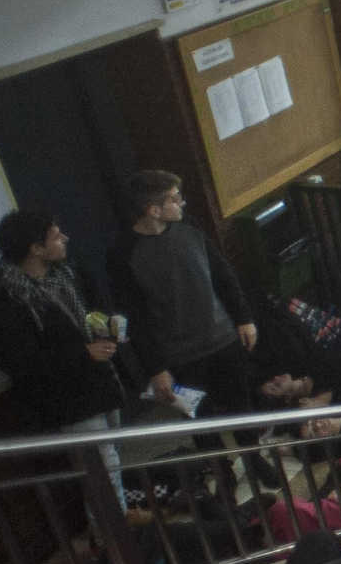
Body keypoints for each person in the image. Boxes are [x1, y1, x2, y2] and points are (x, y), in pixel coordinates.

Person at [109, 170, 264, 474]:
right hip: (179, 355)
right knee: (200, 421)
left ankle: (255, 458)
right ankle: (222, 474)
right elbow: (134, 316)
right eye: (174, 199)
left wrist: (243, 317)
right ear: (153, 210)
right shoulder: (122, 253)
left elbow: (222, 274)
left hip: (222, 338)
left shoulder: (189, 227)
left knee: (241, 407)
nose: (182, 203)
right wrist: (155, 368)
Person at [0, 210, 127, 510]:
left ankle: (115, 532)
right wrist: (83, 353)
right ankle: (120, 544)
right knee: (104, 473)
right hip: (69, 401)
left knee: (112, 465)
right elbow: (21, 365)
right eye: (56, 236)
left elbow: (95, 309)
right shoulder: (6, 304)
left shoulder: (71, 274)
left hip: (103, 382)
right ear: (35, 248)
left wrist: (109, 325)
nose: (65, 239)